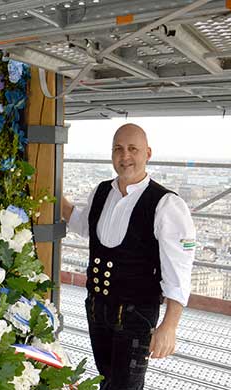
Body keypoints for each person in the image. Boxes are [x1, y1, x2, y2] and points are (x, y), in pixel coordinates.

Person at [61, 123, 195, 390]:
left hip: (136, 315)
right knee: (106, 380)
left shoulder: (166, 204)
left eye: (133, 149)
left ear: (148, 153)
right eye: (118, 149)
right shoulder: (102, 191)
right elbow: (83, 225)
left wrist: (169, 326)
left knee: (126, 387)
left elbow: (178, 270)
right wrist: (51, 194)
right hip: (97, 310)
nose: (125, 156)